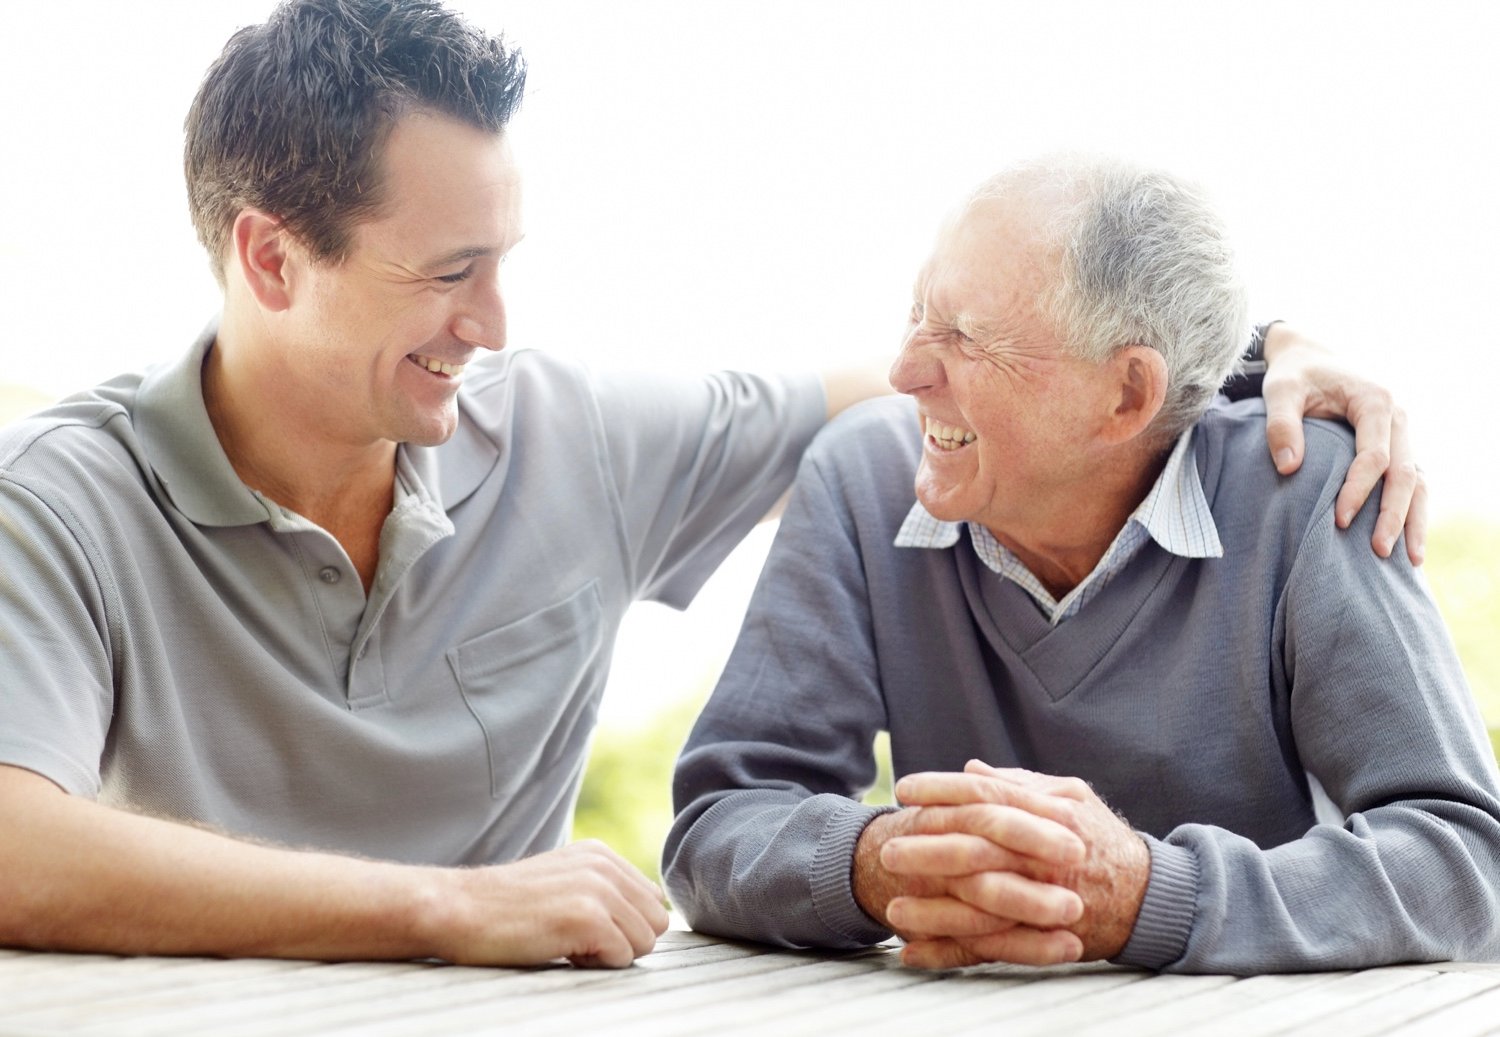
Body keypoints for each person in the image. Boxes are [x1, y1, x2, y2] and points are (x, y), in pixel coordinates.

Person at [0, 0, 1419, 970]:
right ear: (267, 259)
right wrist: (439, 905)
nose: (496, 325)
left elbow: (972, 384)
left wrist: (1256, 348)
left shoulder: (581, 437)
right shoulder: (61, 501)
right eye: (447, 274)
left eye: (504, 263)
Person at [663, 154, 1500, 973]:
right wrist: (886, 858)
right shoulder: (863, 479)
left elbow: (1464, 863)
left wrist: (1152, 894)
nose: (905, 371)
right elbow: (717, 824)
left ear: (1129, 395)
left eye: (968, 336)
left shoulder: (1312, 489)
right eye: (917, 313)